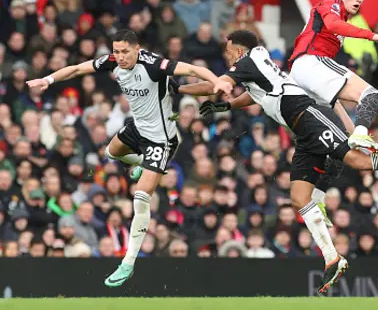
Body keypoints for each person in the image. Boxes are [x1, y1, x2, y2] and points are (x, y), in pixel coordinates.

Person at [178, 30, 378, 293]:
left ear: (238, 49)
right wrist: (225, 106)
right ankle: (332, 257)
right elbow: (256, 94)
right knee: (298, 197)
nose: (227, 57)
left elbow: (214, 85)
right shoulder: (255, 65)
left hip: (308, 116)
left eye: (228, 51)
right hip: (302, 133)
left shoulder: (247, 61)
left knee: (357, 160)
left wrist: (176, 87)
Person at [26, 29, 232, 287]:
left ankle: (128, 262)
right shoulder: (113, 61)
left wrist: (219, 82)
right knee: (111, 152)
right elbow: (78, 69)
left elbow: (193, 69)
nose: (120, 57)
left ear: (137, 49)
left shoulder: (154, 64)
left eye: (125, 52)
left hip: (161, 139)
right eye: (117, 51)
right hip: (138, 128)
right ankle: (141, 165)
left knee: (141, 197)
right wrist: (48, 79)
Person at [288, 0, 378, 154]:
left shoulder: (341, 18)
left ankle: (361, 147)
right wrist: (373, 35)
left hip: (302, 73)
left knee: (336, 117)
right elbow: (334, 25)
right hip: (310, 62)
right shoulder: (332, 4)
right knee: (372, 95)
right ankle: (361, 134)